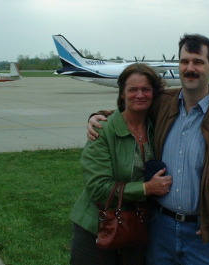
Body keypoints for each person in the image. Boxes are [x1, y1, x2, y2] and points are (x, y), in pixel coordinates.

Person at [88, 34, 209, 265]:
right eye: (184, 61)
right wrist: (100, 116)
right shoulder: (164, 103)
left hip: (205, 236)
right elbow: (132, 109)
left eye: (198, 61)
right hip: (160, 229)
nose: (190, 68)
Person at [70, 63, 173, 265]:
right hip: (97, 226)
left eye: (146, 89)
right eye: (132, 89)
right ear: (122, 94)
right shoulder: (102, 130)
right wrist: (146, 188)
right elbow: (98, 187)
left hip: (138, 225)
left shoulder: (157, 128)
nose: (139, 95)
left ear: (154, 93)